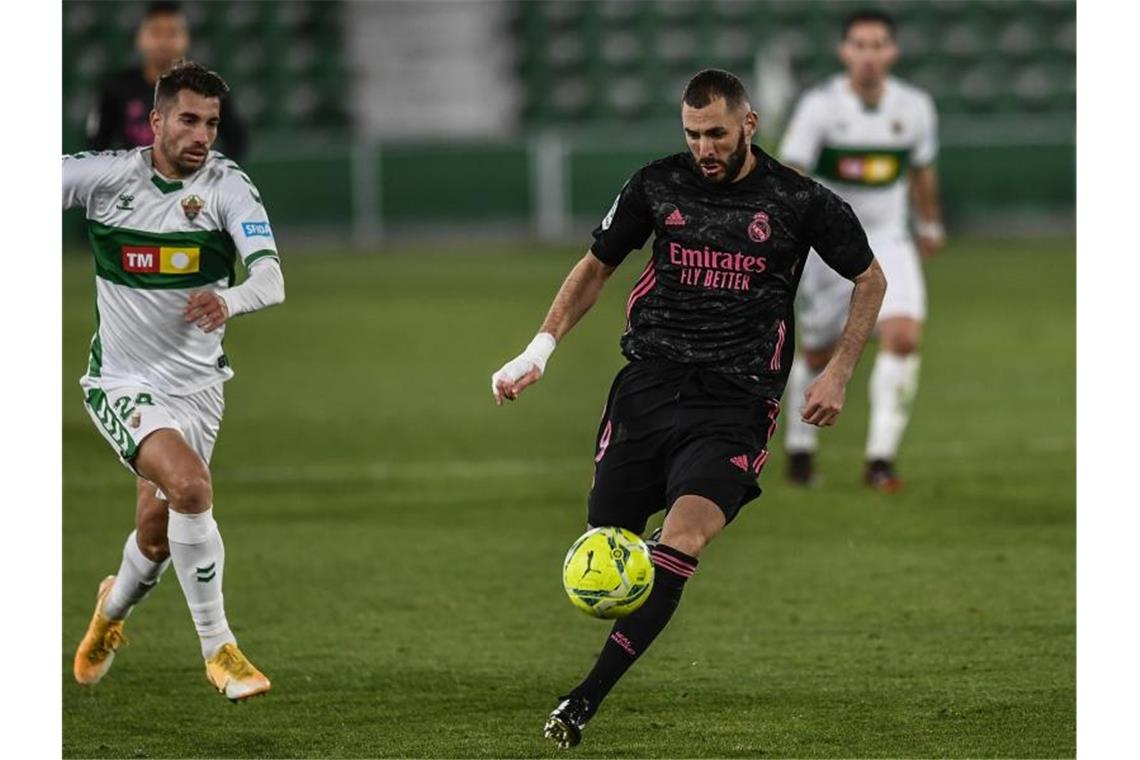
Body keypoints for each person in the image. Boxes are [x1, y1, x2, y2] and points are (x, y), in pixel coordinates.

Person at [491, 69, 886, 748]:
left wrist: (837, 373)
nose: (704, 146)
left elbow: (869, 279)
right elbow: (596, 267)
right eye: (693, 133)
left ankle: (584, 700)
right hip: (647, 389)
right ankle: (624, 627)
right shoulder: (656, 184)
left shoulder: (796, 199)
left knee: (683, 540)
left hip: (736, 400)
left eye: (717, 134)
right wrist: (538, 351)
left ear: (749, 125)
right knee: (607, 553)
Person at [65, 60, 284, 701]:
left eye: (211, 123)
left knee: (157, 538)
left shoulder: (227, 187)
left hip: (199, 389)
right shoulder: (107, 178)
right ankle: (220, 650)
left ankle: (111, 611)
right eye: (188, 119)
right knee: (191, 486)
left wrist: (230, 300)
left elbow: (271, 278)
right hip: (122, 381)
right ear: (156, 120)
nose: (201, 135)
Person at [779, 8, 945, 491]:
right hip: (830, 246)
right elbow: (794, 173)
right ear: (844, 51)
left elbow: (921, 168)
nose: (868, 55)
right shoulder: (820, 107)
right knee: (817, 353)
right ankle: (800, 449)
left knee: (904, 337)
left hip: (890, 239)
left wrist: (929, 221)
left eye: (877, 45)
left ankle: (880, 460)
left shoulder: (915, 107)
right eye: (859, 45)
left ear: (891, 52)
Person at [86, 1, 249, 162]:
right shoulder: (116, 87)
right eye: (156, 33)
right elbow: (97, 144)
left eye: (172, 33)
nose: (163, 42)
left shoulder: (207, 87)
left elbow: (235, 139)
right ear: (140, 38)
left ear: (186, 38)